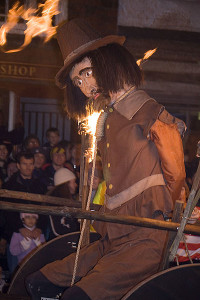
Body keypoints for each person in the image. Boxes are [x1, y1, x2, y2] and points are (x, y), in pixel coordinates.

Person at [25, 19, 186, 300]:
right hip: (112, 235)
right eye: (78, 81)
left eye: (87, 73)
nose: (85, 85)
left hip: (147, 236)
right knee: (38, 282)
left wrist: (174, 213)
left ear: (107, 61)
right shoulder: (107, 118)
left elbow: (174, 168)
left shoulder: (144, 108)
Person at [47, 167, 79, 241]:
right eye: (73, 182)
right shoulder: (53, 202)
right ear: (66, 183)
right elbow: (57, 230)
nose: (76, 185)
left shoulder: (71, 201)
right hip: (60, 243)